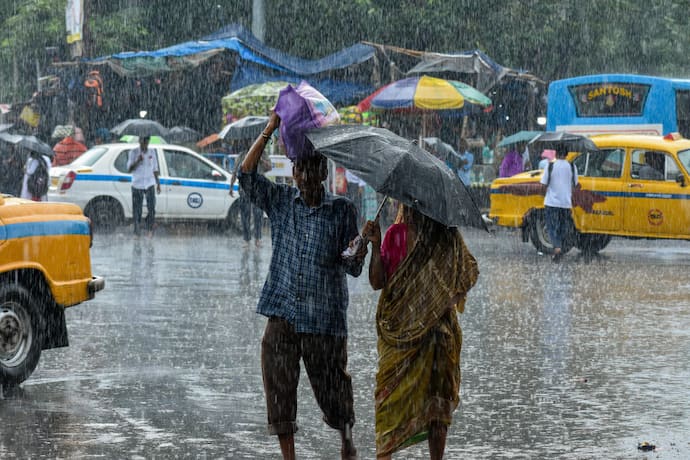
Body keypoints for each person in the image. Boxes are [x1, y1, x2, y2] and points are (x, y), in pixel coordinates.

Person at [238, 112, 366, 460]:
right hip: (282, 313)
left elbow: (352, 267)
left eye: (313, 169)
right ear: (293, 172)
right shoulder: (280, 202)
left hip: (324, 319)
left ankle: (346, 438)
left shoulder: (342, 210)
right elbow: (246, 176)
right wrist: (270, 128)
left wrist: (361, 247)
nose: (306, 177)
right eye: (300, 169)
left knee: (333, 389)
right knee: (278, 387)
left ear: (324, 172)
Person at [361, 204, 479, 459]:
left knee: (433, 406)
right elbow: (377, 282)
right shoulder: (396, 235)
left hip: (436, 338)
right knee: (392, 403)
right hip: (401, 336)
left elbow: (469, 272)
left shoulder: (446, 238)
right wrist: (374, 245)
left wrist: (438, 303)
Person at [539, 145, 578, 262]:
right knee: (562, 227)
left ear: (555, 153)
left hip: (551, 203)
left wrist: (543, 194)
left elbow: (543, 184)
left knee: (551, 227)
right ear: (567, 154)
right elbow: (575, 185)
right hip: (566, 203)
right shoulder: (572, 166)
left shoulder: (550, 166)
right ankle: (560, 246)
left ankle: (557, 247)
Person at [230, 141, 271, 248]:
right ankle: (247, 239)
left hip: (258, 189)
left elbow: (269, 167)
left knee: (258, 214)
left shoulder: (262, 153)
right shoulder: (242, 155)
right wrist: (231, 186)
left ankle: (258, 239)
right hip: (244, 189)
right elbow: (235, 172)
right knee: (245, 215)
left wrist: (261, 160)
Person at [127, 136, 160, 236]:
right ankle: (137, 232)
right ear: (139, 141)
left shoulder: (152, 152)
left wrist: (158, 183)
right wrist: (137, 161)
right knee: (137, 210)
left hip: (150, 183)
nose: (144, 144)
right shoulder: (133, 152)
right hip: (137, 184)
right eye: (143, 142)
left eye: (146, 142)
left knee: (151, 208)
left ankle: (150, 229)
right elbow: (129, 169)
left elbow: (155, 168)